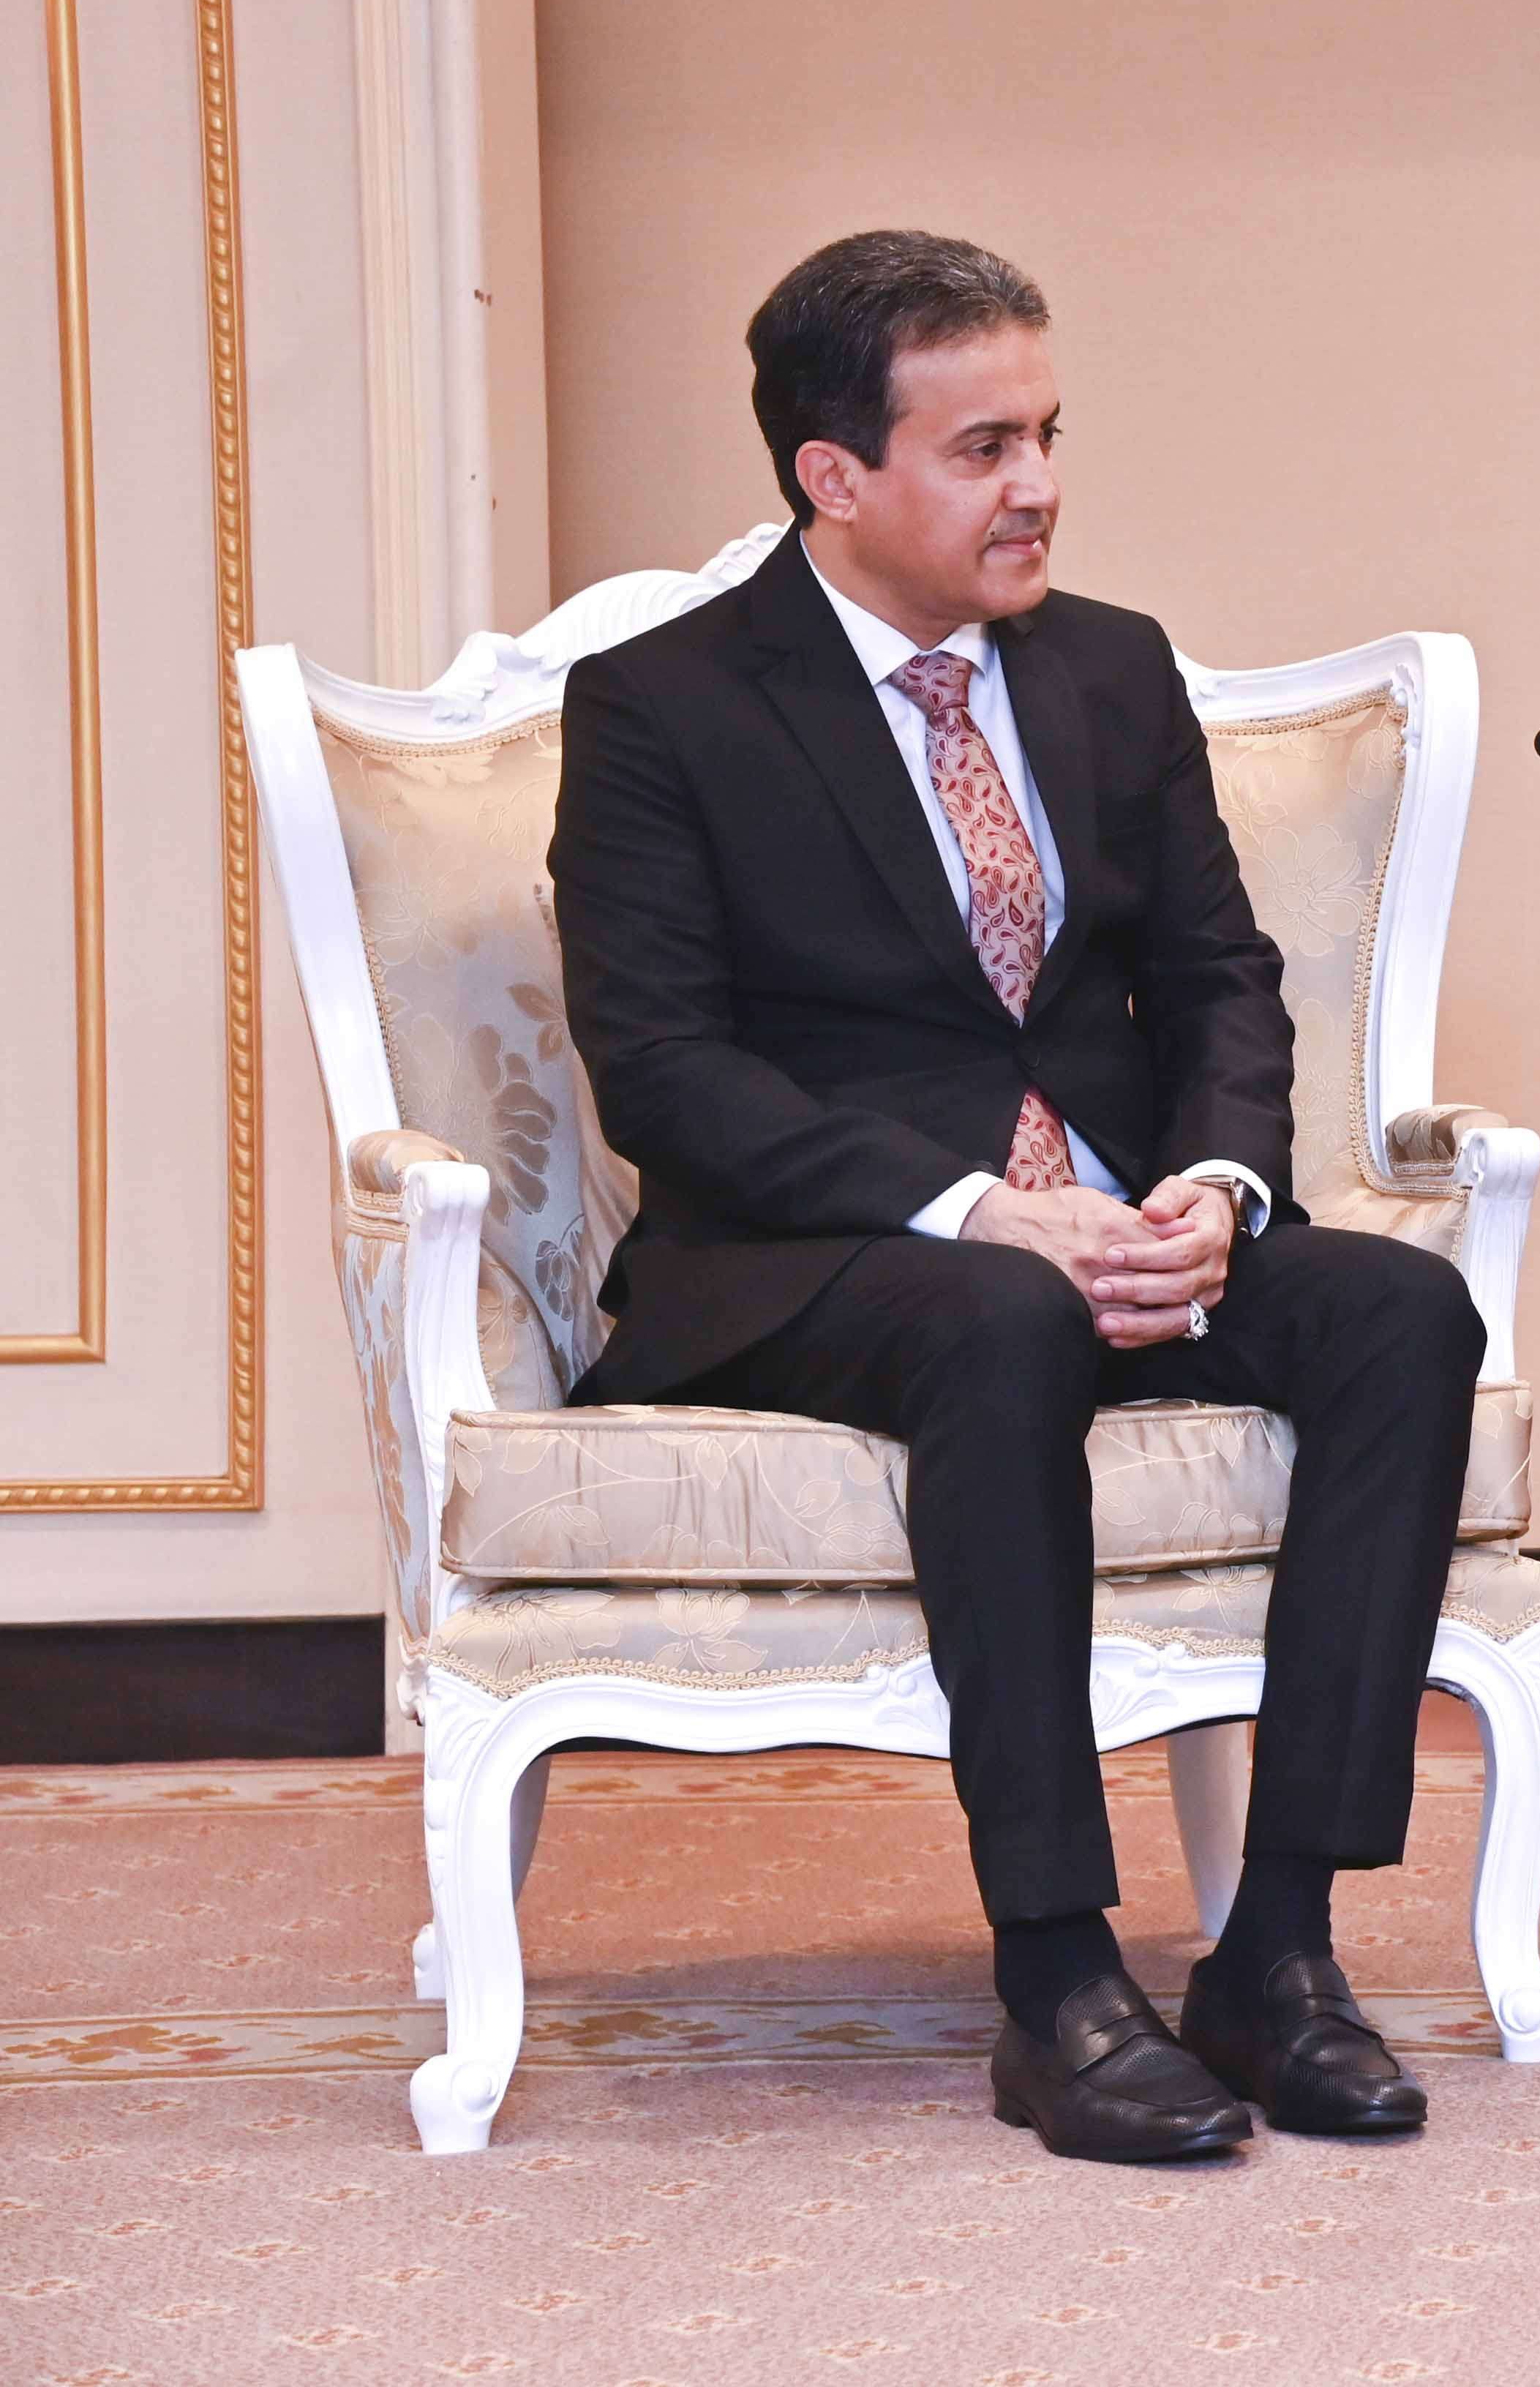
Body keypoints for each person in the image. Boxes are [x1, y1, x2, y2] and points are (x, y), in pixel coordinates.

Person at [549, 232, 1486, 2164]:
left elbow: (1219, 980)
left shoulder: (1111, 669)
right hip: (835, 1257)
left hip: (1123, 1221)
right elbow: (668, 1069)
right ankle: (1057, 1979)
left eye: (1048, 433)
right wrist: (976, 1206)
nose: (1040, 483)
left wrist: (1216, 1184)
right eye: (983, 447)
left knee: (1401, 1308)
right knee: (1002, 1312)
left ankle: (1278, 1950)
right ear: (834, 473)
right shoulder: (663, 706)